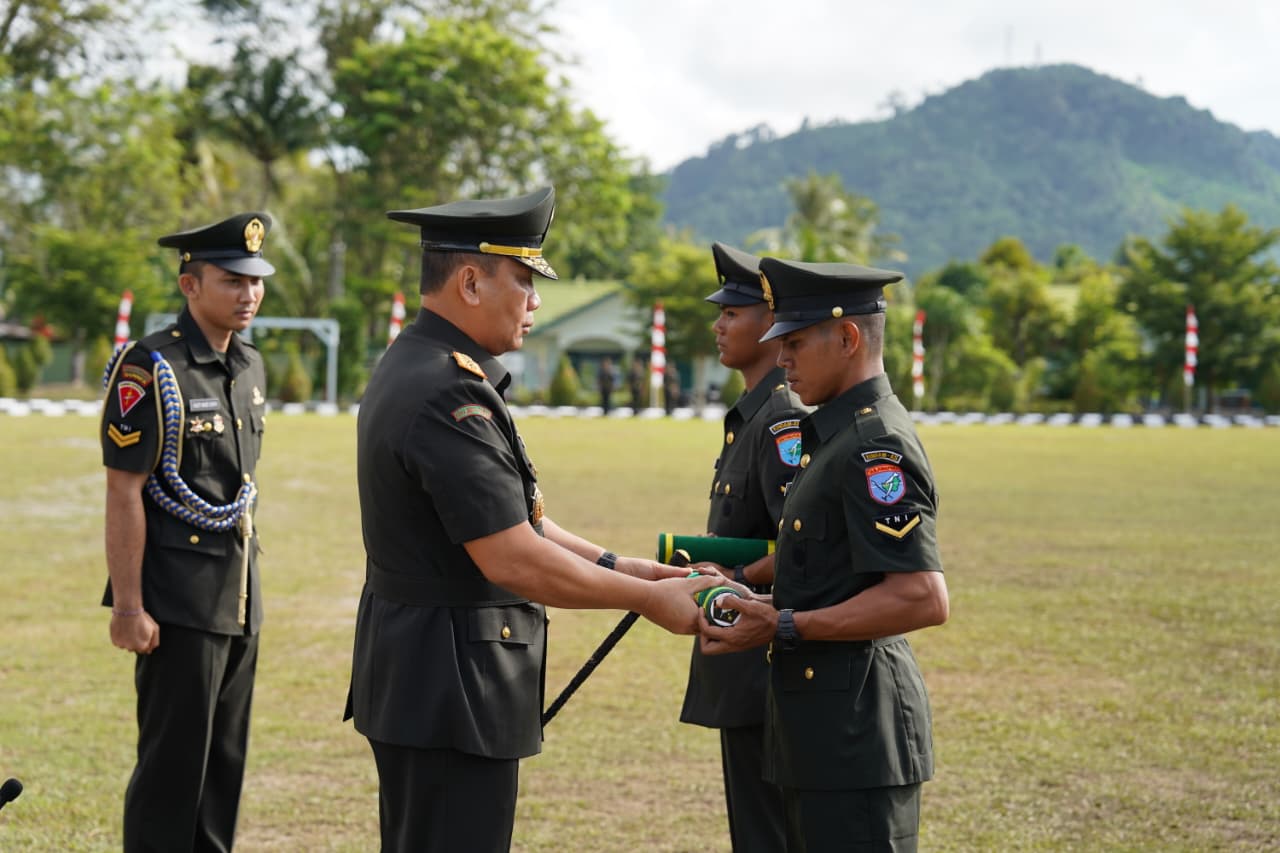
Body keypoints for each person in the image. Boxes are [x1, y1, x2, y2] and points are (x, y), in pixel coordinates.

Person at [344, 186, 716, 852]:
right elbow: (511, 555)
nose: (535, 300)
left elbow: (519, 522)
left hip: (432, 679)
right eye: (524, 279)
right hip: (450, 689)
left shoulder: (421, 364)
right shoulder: (447, 391)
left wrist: (627, 568)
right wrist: (647, 598)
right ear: (470, 282)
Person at [699, 257, 950, 853]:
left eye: (795, 342)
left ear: (847, 338)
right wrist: (758, 600)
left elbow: (921, 597)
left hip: (856, 735)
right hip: (819, 728)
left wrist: (784, 623)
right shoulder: (834, 435)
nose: (781, 356)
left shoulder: (874, 445)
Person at [100, 212, 274, 851]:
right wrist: (128, 607)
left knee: (223, 771)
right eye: (232, 280)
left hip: (239, 597)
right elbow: (124, 489)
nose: (249, 294)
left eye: (255, 281)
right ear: (190, 285)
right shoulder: (151, 366)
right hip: (176, 603)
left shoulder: (249, 365)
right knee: (171, 775)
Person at [679, 242, 808, 852]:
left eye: (732, 313)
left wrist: (736, 576)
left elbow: (802, 545)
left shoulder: (780, 418)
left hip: (766, 656)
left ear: (771, 321)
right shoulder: (753, 414)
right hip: (744, 651)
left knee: (768, 834)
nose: (719, 325)